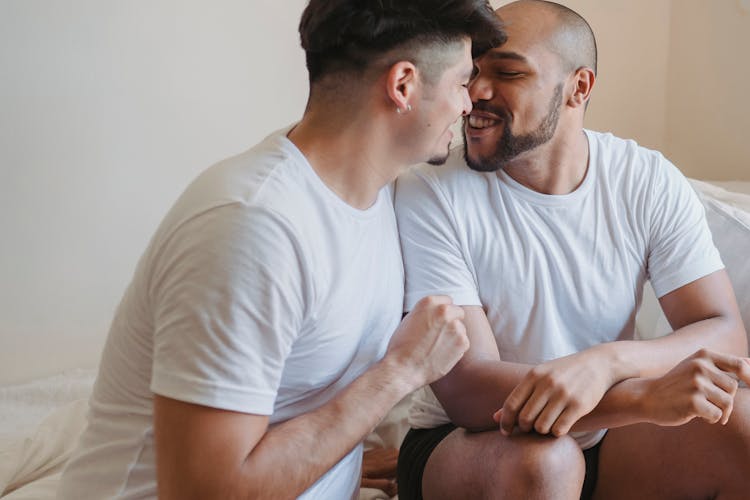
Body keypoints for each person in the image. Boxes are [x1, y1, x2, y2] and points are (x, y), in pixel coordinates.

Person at [56, 1, 505, 499]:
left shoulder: (376, 196)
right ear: (403, 86)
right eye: (463, 83)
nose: (469, 104)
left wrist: (342, 460)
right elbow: (207, 493)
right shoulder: (254, 226)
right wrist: (400, 373)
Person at [394, 1, 750, 499]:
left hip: (607, 436)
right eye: (472, 71)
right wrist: (642, 397)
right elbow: (468, 389)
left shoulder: (645, 179)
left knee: (740, 420)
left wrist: (608, 363)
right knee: (545, 461)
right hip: (473, 441)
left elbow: (726, 335)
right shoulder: (428, 191)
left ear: (578, 88)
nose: (475, 92)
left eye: (508, 72)